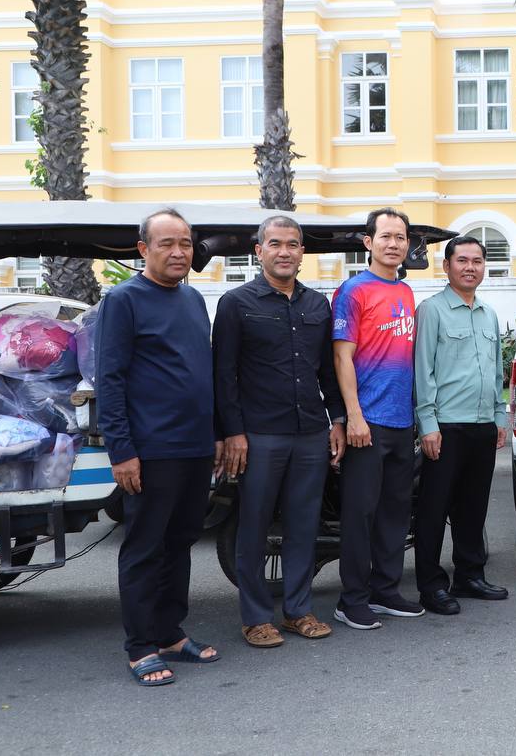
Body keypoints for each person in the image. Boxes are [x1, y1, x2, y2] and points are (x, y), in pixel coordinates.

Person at [96, 208, 218, 686]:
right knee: (145, 548)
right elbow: (109, 379)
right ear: (143, 249)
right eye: (166, 243)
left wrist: (216, 435)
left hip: (195, 447)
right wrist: (121, 451)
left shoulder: (193, 299)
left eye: (185, 243)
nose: (178, 252)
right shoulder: (123, 300)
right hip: (150, 450)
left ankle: (170, 632)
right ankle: (141, 646)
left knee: (181, 542)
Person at [213, 215, 345, 647]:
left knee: (303, 525)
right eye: (275, 244)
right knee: (254, 526)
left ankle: (298, 611)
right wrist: (232, 433)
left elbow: (327, 371)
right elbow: (224, 375)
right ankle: (255, 617)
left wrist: (337, 420)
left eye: (292, 244)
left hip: (310, 431)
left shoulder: (317, 305)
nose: (284, 251)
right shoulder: (236, 303)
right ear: (259, 251)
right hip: (260, 435)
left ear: (302, 252)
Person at [331, 207, 423, 630]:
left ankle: (385, 590)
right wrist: (353, 416)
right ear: (368, 242)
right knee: (360, 514)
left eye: (400, 237)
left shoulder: (405, 292)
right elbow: (341, 357)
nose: (393, 244)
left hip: (402, 422)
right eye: (385, 236)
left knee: (394, 513)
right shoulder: (353, 291)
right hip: (367, 422)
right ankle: (351, 599)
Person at [413, 235, 510, 615]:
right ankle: (431, 586)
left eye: (477, 261)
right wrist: (428, 424)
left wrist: (499, 416)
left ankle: (469, 576)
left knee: (473, 508)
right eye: (462, 260)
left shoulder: (489, 314)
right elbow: (423, 370)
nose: (470, 267)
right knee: (434, 510)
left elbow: (497, 370)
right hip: (446, 426)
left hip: (482, 425)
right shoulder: (432, 310)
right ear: (447, 266)